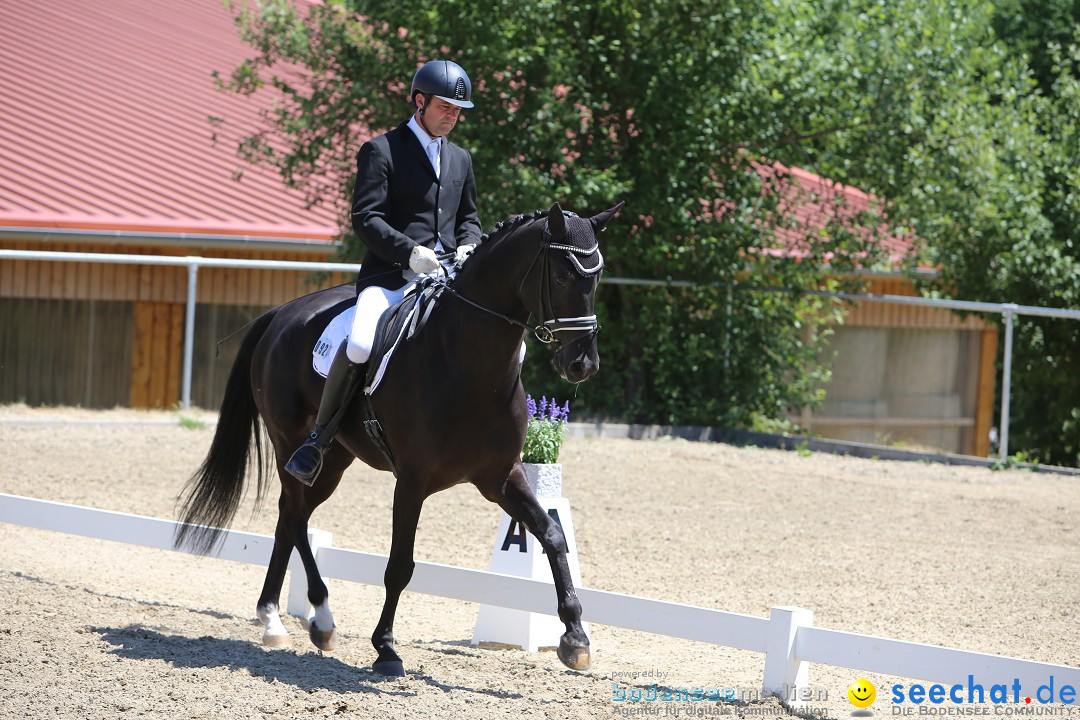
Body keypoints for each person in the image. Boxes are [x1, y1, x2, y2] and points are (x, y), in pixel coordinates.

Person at [285, 59, 482, 485]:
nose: (453, 115)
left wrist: (468, 244)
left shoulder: (460, 159)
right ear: (419, 101)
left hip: (446, 278)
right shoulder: (382, 150)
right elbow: (367, 218)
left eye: (458, 110)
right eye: (446, 106)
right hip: (392, 277)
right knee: (359, 342)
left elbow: (469, 217)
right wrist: (410, 253)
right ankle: (319, 438)